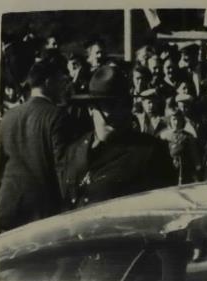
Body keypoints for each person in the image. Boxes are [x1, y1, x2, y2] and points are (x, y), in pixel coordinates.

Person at [59, 64, 176, 208]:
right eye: (111, 105)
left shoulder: (150, 152)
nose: (120, 112)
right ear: (91, 109)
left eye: (125, 105)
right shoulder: (75, 150)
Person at [0, 56, 72, 231]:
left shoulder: (9, 116)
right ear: (48, 82)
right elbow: (63, 167)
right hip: (42, 214)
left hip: (7, 209)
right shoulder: (58, 116)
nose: (64, 86)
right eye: (61, 81)